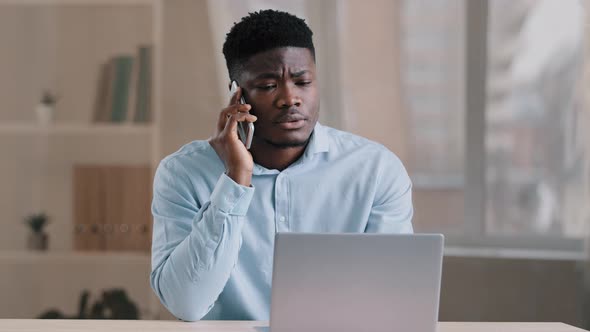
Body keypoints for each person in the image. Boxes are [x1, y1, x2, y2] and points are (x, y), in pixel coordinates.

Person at [150, 9, 413, 322]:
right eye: (268, 86)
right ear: (238, 95)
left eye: (303, 82)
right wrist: (236, 181)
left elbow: (393, 300)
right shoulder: (183, 174)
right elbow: (186, 304)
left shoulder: (375, 170)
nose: (290, 99)